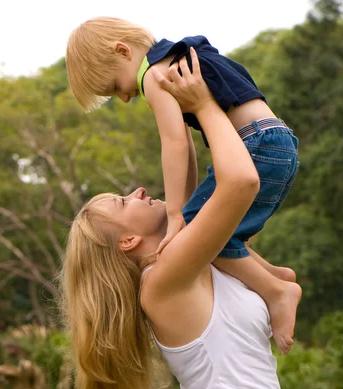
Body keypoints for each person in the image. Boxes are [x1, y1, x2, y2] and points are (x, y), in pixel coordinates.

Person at [65, 17, 301, 353]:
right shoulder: (178, 59)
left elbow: (175, 143)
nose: (124, 98)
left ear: (123, 51)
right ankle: (273, 274)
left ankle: (278, 291)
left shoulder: (155, 76)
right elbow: (188, 148)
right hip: (277, 141)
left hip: (257, 146)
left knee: (202, 230)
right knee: (211, 227)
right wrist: (186, 207)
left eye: (115, 87)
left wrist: (178, 215)